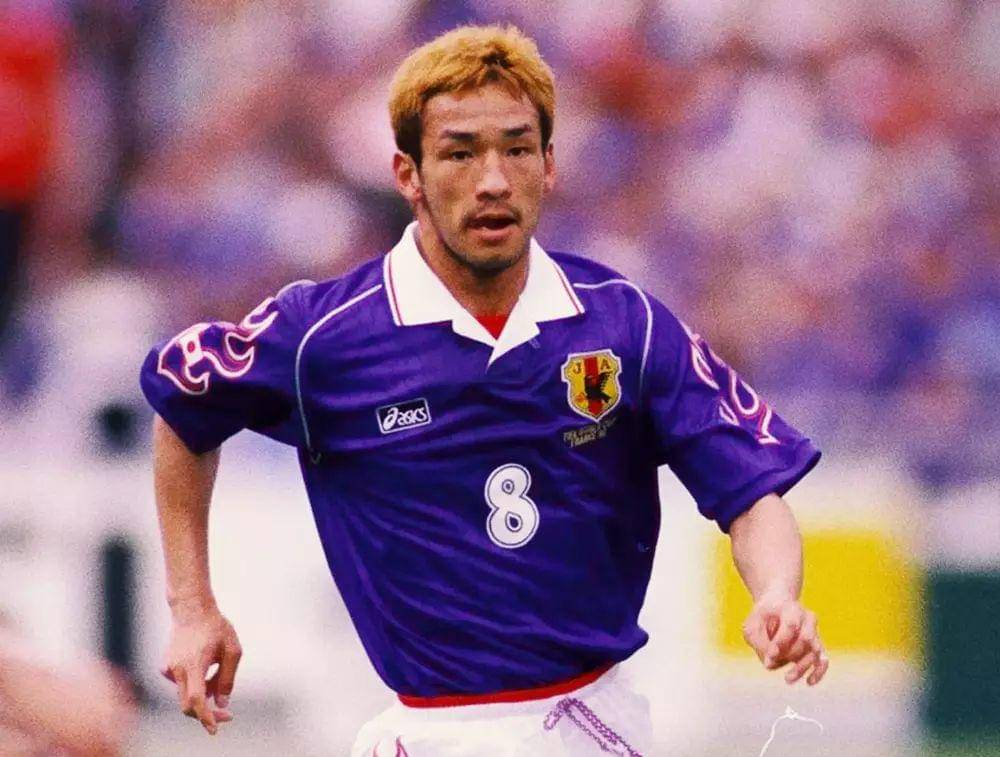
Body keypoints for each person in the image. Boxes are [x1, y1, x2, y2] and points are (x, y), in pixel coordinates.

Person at [140, 24, 829, 756]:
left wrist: (776, 594)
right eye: (461, 153)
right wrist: (192, 606)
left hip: (590, 726)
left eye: (517, 150)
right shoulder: (324, 335)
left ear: (550, 164)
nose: (493, 180)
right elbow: (183, 409)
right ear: (408, 174)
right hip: (425, 731)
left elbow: (751, 491)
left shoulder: (624, 322)